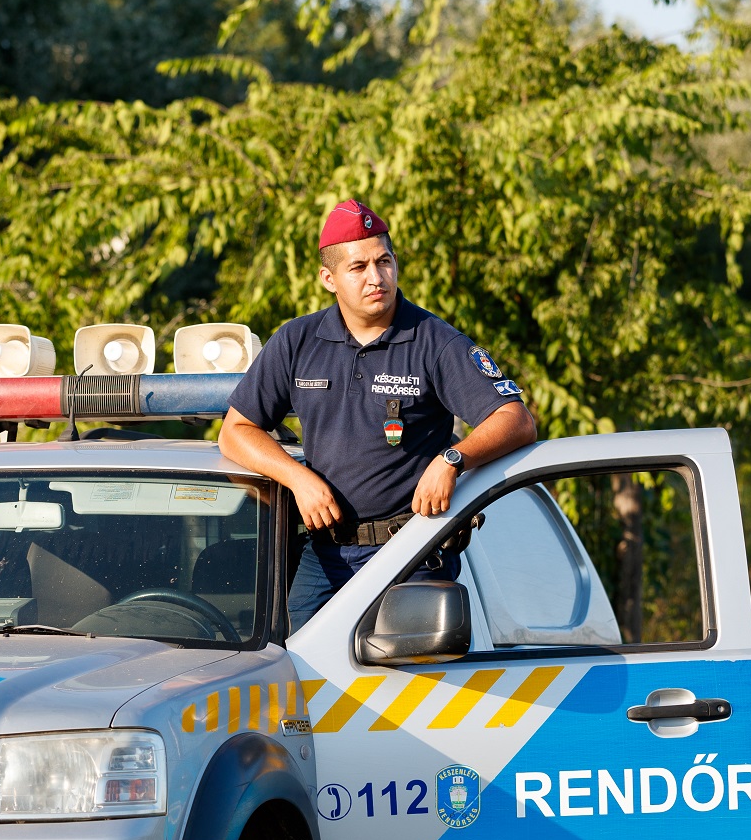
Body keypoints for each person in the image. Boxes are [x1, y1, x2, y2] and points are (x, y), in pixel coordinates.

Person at [218, 199, 538, 631]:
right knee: (298, 664)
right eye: (359, 267)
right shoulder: (297, 341)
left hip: (411, 552)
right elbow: (235, 431)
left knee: (402, 672)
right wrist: (297, 478)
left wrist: (452, 460)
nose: (376, 277)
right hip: (325, 554)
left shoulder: (435, 341)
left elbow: (516, 420)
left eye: (384, 261)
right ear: (328, 279)